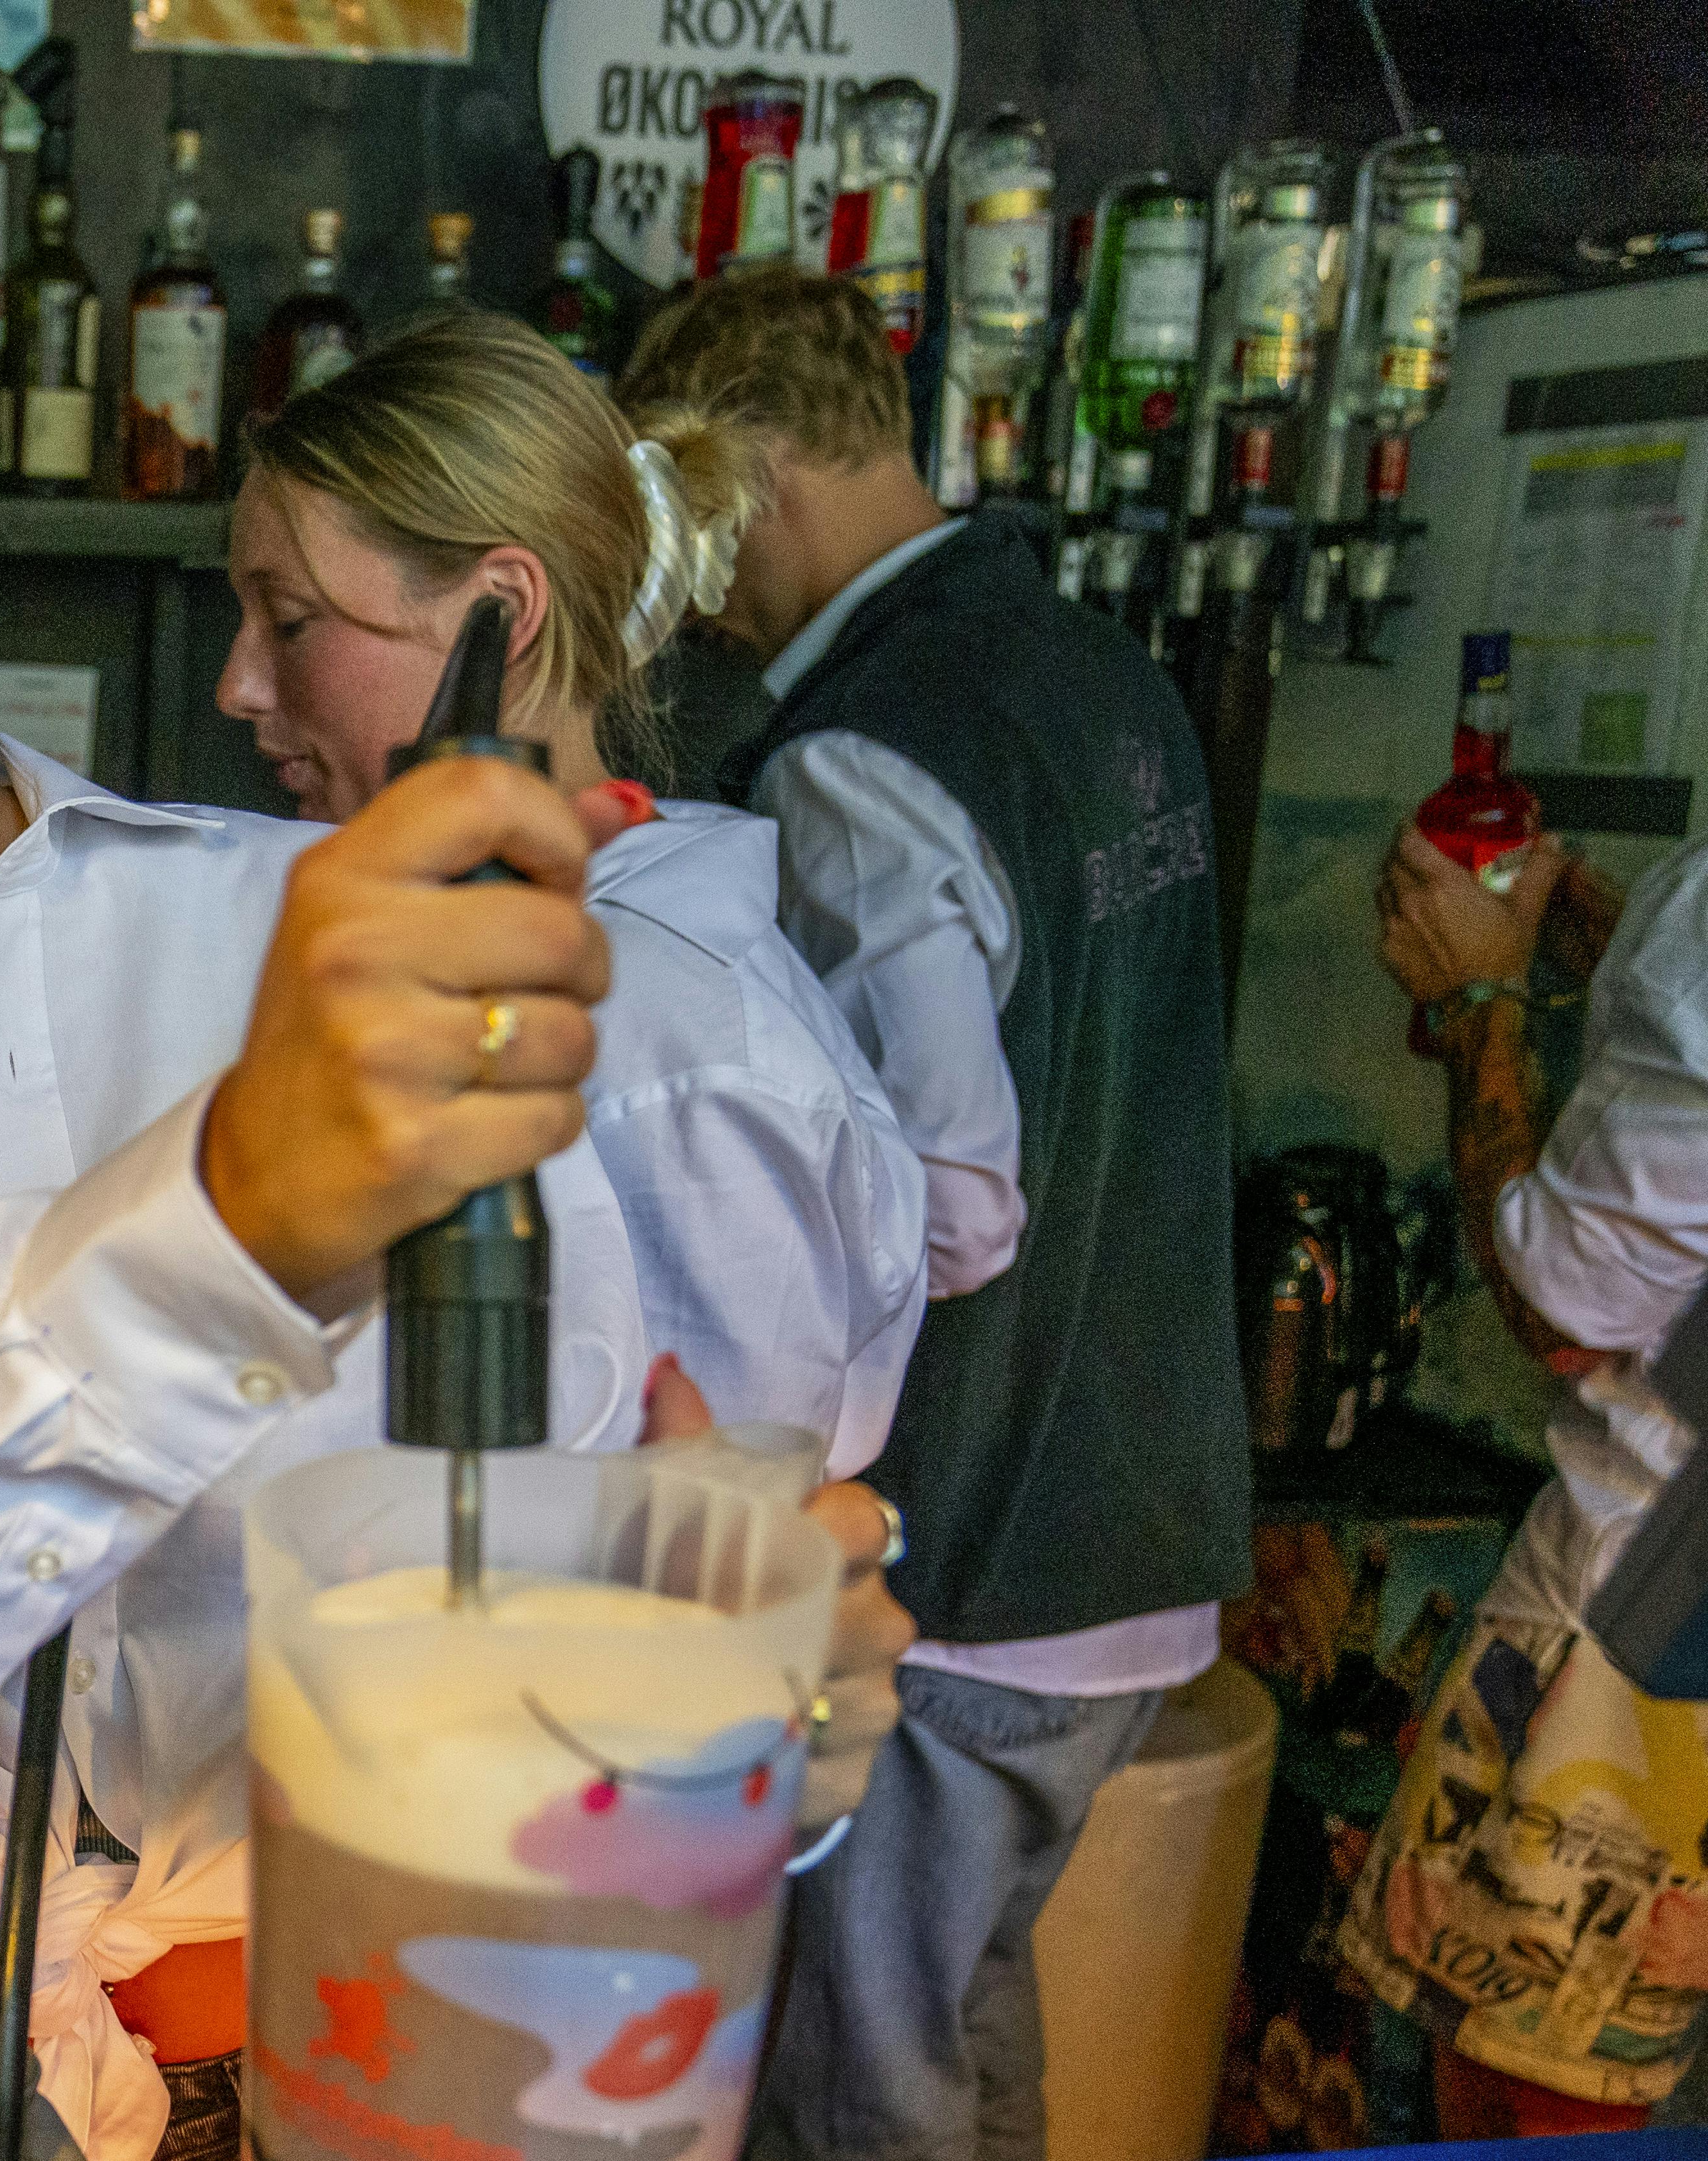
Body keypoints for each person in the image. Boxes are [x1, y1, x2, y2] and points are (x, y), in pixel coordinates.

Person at [0, 181, 917, 2161]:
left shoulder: (304, 938)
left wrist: (729, 1708)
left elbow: (551, 1562)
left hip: (383, 2051)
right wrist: (228, 1214)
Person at [614, 272, 1252, 2161]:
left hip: (979, 1554)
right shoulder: (1102, 674)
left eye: (685, 512)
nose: (692, 580)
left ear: (752, 480)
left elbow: (953, 1200)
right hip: (1148, 1530)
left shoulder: (865, 749)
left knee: (860, 2093)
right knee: (972, 2032)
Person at [216, 310, 928, 1498]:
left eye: (291, 621)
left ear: (503, 609)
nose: (240, 685)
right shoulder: (484, 952)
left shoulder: (675, 1042)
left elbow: (712, 1543)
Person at [1338, 825, 1708, 2133]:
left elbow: (1568, 1303)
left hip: (1625, 1675)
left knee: (1528, 2117)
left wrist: (1478, 998)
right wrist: (1598, 944)